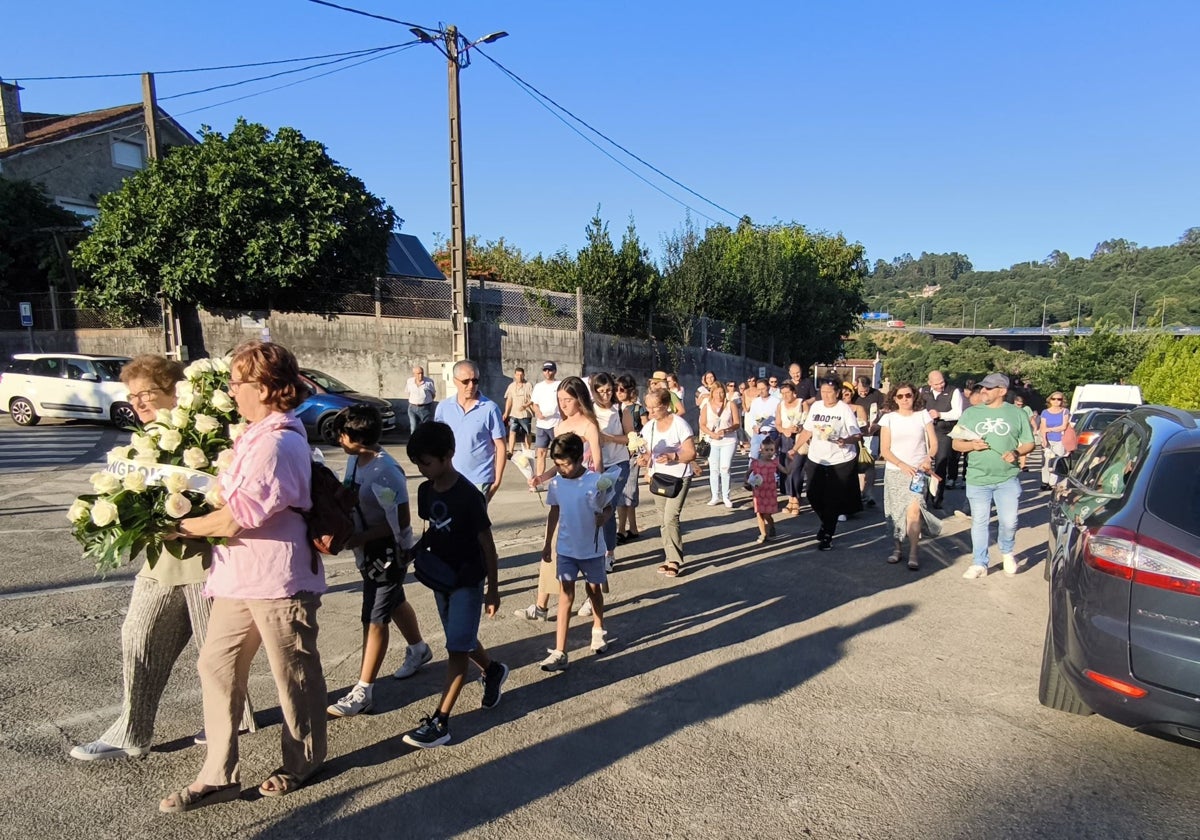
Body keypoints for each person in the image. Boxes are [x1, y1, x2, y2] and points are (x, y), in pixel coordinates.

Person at [160, 340, 326, 813]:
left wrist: (180, 526)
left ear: (269, 387)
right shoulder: (254, 435)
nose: (232, 391)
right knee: (215, 665)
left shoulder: (276, 441)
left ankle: (303, 760)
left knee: (292, 674)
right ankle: (219, 774)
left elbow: (238, 517)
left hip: (278, 578)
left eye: (239, 382)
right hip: (239, 578)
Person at [71, 355, 255, 763]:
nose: (139, 402)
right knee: (137, 640)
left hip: (213, 565)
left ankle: (230, 722)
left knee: (218, 656)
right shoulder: (143, 445)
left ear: (177, 391)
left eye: (148, 393)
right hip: (161, 564)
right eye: (132, 395)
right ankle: (131, 733)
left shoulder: (214, 438)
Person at [403, 421, 506, 747]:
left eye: (426, 462)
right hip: (440, 578)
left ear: (448, 455)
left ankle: (441, 721)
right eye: (418, 463)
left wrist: (493, 588)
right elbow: (432, 530)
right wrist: (412, 554)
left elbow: (487, 545)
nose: (422, 469)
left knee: (456, 650)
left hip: (467, 581)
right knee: (459, 638)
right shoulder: (426, 490)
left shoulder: (468, 497)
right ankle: (493, 670)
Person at [326, 405, 429, 719]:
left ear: (356, 438)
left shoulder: (385, 471)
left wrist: (361, 539)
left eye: (341, 434)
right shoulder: (356, 460)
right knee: (393, 601)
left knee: (374, 616)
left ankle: (364, 691)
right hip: (365, 547)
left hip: (386, 553)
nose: (338, 439)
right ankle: (419, 649)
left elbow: (399, 520)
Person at [517, 376, 604, 620]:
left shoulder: (589, 426)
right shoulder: (560, 427)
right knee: (553, 547)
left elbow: (598, 466)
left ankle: (591, 598)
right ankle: (541, 604)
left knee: (588, 553)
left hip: (585, 497)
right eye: (560, 400)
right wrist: (540, 477)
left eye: (568, 399)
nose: (563, 404)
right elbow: (558, 465)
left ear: (580, 399)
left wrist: (599, 498)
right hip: (563, 495)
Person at [538, 433, 613, 672]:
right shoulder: (557, 483)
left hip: (590, 549)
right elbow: (554, 512)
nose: (561, 469)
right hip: (566, 549)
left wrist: (605, 517)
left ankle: (598, 628)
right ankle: (560, 651)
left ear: (581, 458)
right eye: (557, 464)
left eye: (566, 464)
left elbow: (609, 507)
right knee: (565, 596)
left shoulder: (597, 481)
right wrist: (548, 542)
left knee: (593, 590)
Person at [952, 373, 1036, 580]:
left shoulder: (1017, 414)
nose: (984, 391)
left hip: (1007, 478)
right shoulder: (971, 413)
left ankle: (1007, 551)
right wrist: (971, 445)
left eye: (989, 388)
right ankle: (979, 563)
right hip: (977, 478)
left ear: (1002, 391)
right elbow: (956, 443)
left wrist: (1016, 453)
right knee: (980, 521)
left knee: (1009, 522)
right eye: (982, 387)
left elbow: (1029, 443)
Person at [878, 383, 942, 570]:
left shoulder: (923, 416)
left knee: (914, 511)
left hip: (918, 472)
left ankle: (914, 552)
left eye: (908, 395)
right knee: (896, 513)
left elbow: (934, 443)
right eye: (900, 396)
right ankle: (897, 548)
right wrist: (901, 465)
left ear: (914, 396)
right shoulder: (888, 419)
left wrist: (928, 458)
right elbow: (884, 449)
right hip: (895, 471)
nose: (905, 399)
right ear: (894, 398)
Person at [797, 380, 863, 551]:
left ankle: (827, 534)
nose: (826, 395)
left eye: (830, 392)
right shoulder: (817, 407)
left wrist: (845, 440)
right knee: (812, 494)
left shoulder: (844, 409)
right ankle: (826, 523)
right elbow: (808, 430)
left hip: (840, 460)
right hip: (817, 457)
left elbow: (857, 435)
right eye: (823, 391)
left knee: (832, 499)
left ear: (838, 392)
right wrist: (794, 448)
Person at [638, 388, 697, 578]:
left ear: (665, 406)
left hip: (679, 477)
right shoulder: (650, 427)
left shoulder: (680, 425)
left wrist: (673, 455)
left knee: (670, 517)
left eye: (654, 408)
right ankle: (668, 557)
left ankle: (674, 560)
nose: (651, 412)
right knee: (662, 519)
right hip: (658, 477)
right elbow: (646, 452)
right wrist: (643, 459)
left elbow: (691, 453)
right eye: (648, 408)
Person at [434, 360, 506, 503]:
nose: (471, 385)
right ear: (455, 381)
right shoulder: (443, 408)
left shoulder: (490, 408)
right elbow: (437, 444)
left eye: (475, 380)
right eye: (465, 381)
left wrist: (497, 481)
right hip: (449, 477)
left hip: (480, 480)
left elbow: (501, 445)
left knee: (475, 525)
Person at [591, 373, 633, 567]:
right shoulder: (589, 411)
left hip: (618, 463)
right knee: (594, 508)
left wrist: (609, 438)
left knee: (608, 506)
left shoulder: (621, 409)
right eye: (601, 392)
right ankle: (594, 548)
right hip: (596, 464)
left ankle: (609, 552)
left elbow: (629, 437)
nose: (605, 395)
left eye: (609, 390)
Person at [920, 370, 964, 505]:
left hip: (943, 431)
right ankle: (922, 496)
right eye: (937, 384)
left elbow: (958, 413)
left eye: (942, 382)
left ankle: (938, 497)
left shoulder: (954, 391)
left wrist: (940, 414)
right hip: (925, 431)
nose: (940, 386)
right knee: (922, 464)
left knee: (941, 463)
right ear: (930, 383)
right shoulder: (923, 391)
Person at [699, 382, 740, 508]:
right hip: (713, 441)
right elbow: (702, 424)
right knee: (714, 469)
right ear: (712, 393)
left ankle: (726, 496)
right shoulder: (707, 406)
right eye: (717, 392)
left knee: (725, 467)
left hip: (728, 440)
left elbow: (737, 423)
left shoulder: (730, 404)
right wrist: (712, 434)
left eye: (722, 392)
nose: (719, 395)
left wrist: (726, 430)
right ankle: (715, 496)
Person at [615, 374, 645, 543]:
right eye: (616, 389)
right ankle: (628, 528)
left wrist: (641, 450)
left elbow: (646, 429)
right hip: (618, 452)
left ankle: (626, 528)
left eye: (622, 389)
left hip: (633, 453)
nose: (618, 392)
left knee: (630, 490)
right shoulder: (615, 408)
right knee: (622, 491)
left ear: (629, 390)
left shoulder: (637, 409)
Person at [853, 376, 886, 508]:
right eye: (861, 391)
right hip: (857, 432)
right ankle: (861, 491)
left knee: (870, 463)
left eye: (865, 391)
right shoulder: (853, 395)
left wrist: (877, 422)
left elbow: (885, 409)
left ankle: (870, 492)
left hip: (872, 433)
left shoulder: (877, 394)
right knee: (859, 464)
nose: (863, 393)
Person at [775, 381, 807, 515]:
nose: (785, 396)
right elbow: (777, 424)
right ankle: (790, 499)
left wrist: (799, 428)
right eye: (782, 393)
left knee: (797, 470)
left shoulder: (802, 403)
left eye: (788, 392)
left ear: (794, 392)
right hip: (785, 439)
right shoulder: (780, 405)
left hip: (800, 439)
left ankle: (797, 499)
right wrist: (784, 430)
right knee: (787, 470)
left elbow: (808, 422)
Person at [748, 436, 786, 544]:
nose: (769, 452)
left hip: (770, 491)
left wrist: (792, 463)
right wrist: (747, 481)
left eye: (772, 450)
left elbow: (785, 470)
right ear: (761, 450)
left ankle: (771, 525)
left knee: (767, 514)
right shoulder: (755, 463)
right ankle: (763, 533)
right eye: (766, 450)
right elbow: (748, 473)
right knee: (759, 513)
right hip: (758, 491)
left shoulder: (775, 463)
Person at [530, 361, 562, 480]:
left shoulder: (559, 385)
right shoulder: (538, 386)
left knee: (558, 453)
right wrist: (538, 412)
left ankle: (559, 476)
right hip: (542, 425)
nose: (547, 372)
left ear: (555, 371)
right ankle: (539, 479)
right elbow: (534, 403)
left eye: (550, 370)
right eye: (545, 370)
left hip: (556, 424)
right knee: (541, 453)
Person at [1038, 392, 1071, 490]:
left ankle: (1052, 482)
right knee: (1046, 461)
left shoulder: (1065, 411)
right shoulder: (1045, 412)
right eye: (1054, 399)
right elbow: (1043, 427)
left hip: (1060, 440)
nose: (1056, 401)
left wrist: (1050, 429)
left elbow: (1063, 427)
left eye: (1059, 399)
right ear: (1050, 400)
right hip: (1048, 440)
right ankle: (1045, 481)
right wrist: (1044, 439)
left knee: (1056, 461)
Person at [502, 366, 534, 458]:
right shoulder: (511, 386)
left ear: (523, 375)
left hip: (525, 414)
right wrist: (506, 413)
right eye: (517, 375)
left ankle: (528, 450)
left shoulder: (528, 385)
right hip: (514, 414)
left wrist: (526, 405)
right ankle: (510, 451)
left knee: (527, 433)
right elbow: (509, 400)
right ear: (514, 375)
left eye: (521, 375)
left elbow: (533, 399)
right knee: (512, 432)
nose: (519, 376)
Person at [746, 379, 780, 460]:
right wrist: (754, 426)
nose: (761, 391)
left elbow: (778, 418)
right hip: (757, 434)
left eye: (763, 389)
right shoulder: (755, 402)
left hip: (771, 433)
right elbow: (751, 417)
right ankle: (752, 473)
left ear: (768, 387)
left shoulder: (776, 401)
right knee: (753, 458)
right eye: (759, 389)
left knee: (771, 459)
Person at [405, 365, 436, 433]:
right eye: (418, 373)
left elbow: (433, 394)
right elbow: (408, 393)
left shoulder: (429, 382)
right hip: (412, 408)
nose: (421, 375)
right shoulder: (409, 381)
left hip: (426, 408)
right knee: (414, 428)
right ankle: (414, 443)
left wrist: (425, 401)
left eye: (422, 373)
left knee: (426, 428)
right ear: (414, 374)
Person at [1013, 394, 1036, 471]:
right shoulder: (1010, 408)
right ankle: (1014, 464)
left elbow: (1031, 419)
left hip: (1024, 431)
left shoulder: (1027, 409)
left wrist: (1035, 428)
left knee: (1023, 449)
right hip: (1014, 431)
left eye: (1021, 405)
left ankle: (1023, 465)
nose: (1020, 406)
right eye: (1018, 404)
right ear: (1014, 402)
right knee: (1013, 448)